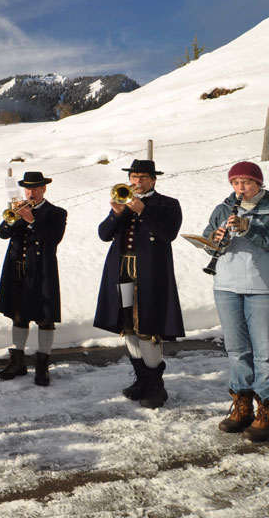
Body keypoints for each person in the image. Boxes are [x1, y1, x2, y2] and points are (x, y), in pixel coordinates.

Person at [94, 159, 183, 408]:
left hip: (150, 275)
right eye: (134, 176)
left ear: (153, 180)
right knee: (128, 325)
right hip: (123, 272)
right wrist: (116, 213)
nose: (137, 181)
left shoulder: (168, 204)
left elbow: (168, 234)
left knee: (148, 327)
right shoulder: (123, 203)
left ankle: (156, 385)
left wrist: (143, 209)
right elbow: (103, 235)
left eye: (142, 177)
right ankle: (142, 378)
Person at [202, 161, 269, 440]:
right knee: (237, 349)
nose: (241, 188)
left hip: (262, 287)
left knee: (264, 352)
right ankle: (242, 404)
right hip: (226, 286)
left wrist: (249, 230)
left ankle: (265, 407)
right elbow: (207, 235)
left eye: (246, 182)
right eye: (236, 183)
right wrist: (214, 238)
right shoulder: (223, 208)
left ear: (258, 183)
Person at [0, 172, 67, 386]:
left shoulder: (56, 213)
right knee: (18, 315)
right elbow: (2, 233)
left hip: (43, 271)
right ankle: (17, 361)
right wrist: (13, 219)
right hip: (17, 270)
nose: (31, 192)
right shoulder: (18, 209)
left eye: (35, 188)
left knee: (45, 318)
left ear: (44, 189)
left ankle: (43, 365)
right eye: (28, 188)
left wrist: (32, 220)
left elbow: (54, 238)